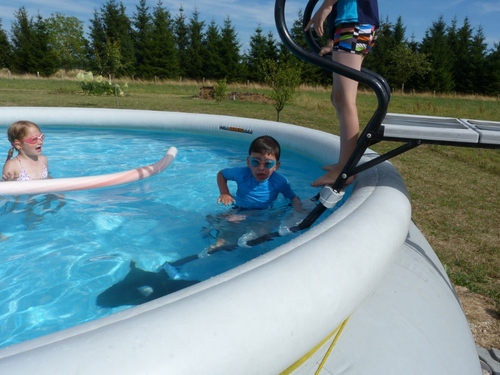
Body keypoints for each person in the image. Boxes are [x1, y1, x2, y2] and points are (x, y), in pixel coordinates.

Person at [305, 0, 379, 187]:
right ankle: (343, 163)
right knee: (337, 98)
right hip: (351, 26)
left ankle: (345, 169)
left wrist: (326, 6)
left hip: (354, 25)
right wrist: (332, 41)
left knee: (345, 100)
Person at [211, 135, 303, 252]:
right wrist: (225, 193)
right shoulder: (241, 174)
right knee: (226, 222)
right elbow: (221, 174)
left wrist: (297, 209)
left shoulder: (280, 182)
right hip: (239, 208)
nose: (261, 168)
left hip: (264, 213)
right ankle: (219, 243)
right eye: (255, 162)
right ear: (248, 162)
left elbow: (293, 198)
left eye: (268, 164)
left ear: (276, 166)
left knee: (262, 231)